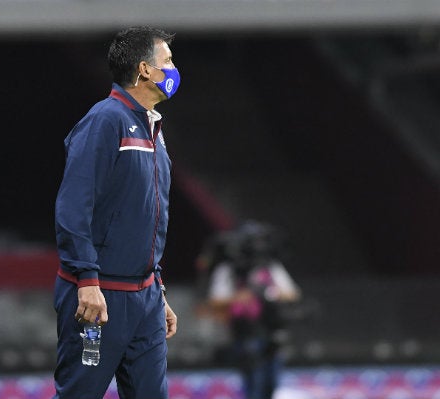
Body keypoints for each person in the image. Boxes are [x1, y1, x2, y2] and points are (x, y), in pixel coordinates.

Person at [53, 26, 179, 399]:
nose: (174, 69)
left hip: (146, 297)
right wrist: (87, 280)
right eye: (167, 61)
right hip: (99, 296)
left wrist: (156, 285)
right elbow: (73, 205)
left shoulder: (154, 130)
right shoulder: (104, 121)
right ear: (144, 69)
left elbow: (146, 219)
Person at [196, 221, 301, 399]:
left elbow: (292, 293)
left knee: (271, 382)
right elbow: (214, 301)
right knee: (253, 382)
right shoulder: (229, 269)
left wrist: (267, 293)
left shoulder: (269, 266)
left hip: (270, 329)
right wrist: (241, 297)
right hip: (244, 332)